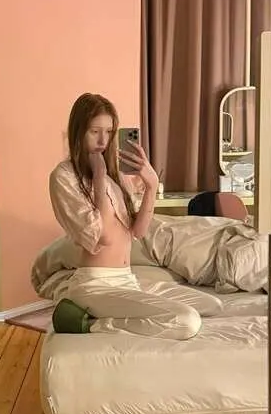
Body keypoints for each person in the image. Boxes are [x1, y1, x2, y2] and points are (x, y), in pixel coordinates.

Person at [48, 92, 202, 339]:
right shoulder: (64, 177)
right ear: (78, 132)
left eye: (109, 132)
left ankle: (108, 317)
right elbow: (104, 236)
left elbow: (138, 232)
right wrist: (98, 178)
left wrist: (151, 185)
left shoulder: (116, 177)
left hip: (127, 279)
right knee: (187, 321)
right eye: (94, 131)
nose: (103, 140)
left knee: (212, 307)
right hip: (95, 284)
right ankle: (92, 324)